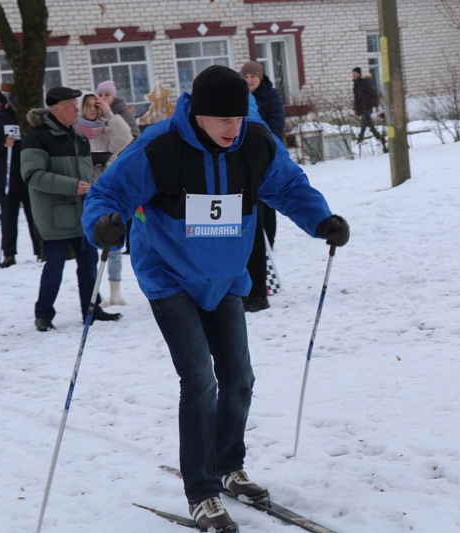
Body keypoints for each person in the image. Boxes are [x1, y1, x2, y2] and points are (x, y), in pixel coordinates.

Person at [81, 65, 349, 533]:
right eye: (224, 118)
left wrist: (321, 220)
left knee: (239, 378)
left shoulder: (255, 142)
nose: (233, 127)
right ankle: (201, 491)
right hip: (169, 276)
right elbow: (109, 193)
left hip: (224, 277)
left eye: (239, 117)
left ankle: (229, 466)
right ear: (199, 114)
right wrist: (103, 225)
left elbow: (288, 186)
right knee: (200, 381)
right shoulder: (160, 146)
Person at [21, 86, 122, 332]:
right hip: (54, 215)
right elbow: (32, 175)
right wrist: (72, 186)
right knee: (54, 266)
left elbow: (87, 174)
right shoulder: (37, 137)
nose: (77, 110)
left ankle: (92, 309)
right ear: (56, 109)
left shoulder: (78, 137)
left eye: (76, 105)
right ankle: (43, 314)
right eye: (71, 106)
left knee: (88, 264)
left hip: (82, 213)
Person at [74, 91, 133, 306]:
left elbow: (126, 138)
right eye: (88, 105)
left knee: (113, 242)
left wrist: (109, 113)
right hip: (84, 193)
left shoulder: (107, 131)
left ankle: (115, 291)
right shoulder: (76, 134)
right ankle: (94, 294)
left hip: (107, 193)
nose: (92, 109)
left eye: (96, 106)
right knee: (89, 247)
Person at [240, 61, 286, 312]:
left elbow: (276, 123)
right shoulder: (238, 98)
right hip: (245, 166)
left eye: (253, 76)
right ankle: (252, 289)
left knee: (265, 212)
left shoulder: (270, 96)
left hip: (265, 158)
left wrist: (267, 146)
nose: (250, 80)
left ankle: (271, 241)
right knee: (252, 221)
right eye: (246, 76)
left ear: (260, 78)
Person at [0, 83, 40, 267]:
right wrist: (1, 142)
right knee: (8, 220)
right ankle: (9, 253)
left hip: (31, 177)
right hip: (7, 177)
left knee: (36, 218)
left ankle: (41, 250)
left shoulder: (35, 119)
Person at [352, 66, 384, 144]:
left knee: (363, 123)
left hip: (367, 105)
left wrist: (376, 105)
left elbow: (373, 93)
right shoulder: (356, 83)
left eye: (354, 74)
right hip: (361, 106)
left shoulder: (365, 82)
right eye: (352, 74)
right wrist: (356, 108)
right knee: (370, 124)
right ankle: (379, 138)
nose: (353, 75)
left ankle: (360, 139)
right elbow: (356, 97)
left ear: (359, 74)